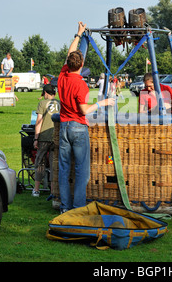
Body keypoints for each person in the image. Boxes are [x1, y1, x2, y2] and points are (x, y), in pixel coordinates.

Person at [57, 21, 115, 214]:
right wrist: (103, 103)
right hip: (78, 127)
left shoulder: (62, 76)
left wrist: (79, 34)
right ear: (82, 64)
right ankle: (78, 207)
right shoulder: (81, 84)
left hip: (64, 126)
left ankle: (64, 207)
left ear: (70, 63)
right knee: (82, 171)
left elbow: (70, 52)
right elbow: (83, 110)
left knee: (64, 169)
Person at [32, 84, 60, 197]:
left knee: (40, 163)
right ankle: (53, 191)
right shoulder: (60, 103)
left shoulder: (42, 103)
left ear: (46, 93)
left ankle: (36, 189)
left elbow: (39, 122)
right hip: (56, 138)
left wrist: (36, 138)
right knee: (54, 164)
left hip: (43, 137)